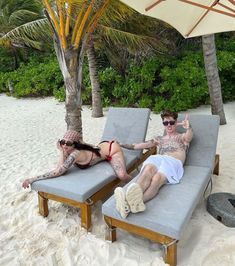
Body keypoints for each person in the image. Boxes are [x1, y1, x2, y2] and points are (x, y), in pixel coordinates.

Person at [114, 110, 193, 219]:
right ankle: (130, 202)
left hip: (173, 162)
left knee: (156, 178)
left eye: (171, 122)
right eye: (166, 123)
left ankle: (129, 203)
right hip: (159, 158)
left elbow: (189, 137)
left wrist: (188, 127)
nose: (169, 125)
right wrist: (121, 144)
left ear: (175, 122)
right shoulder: (159, 139)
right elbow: (138, 146)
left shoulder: (182, 137)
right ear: (163, 124)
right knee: (148, 170)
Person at [22, 130, 131, 189]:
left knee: (122, 176)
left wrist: (32, 179)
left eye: (68, 143)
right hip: (101, 146)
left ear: (75, 145)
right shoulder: (70, 150)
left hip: (112, 149)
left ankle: (135, 183)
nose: (64, 145)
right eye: (62, 142)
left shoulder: (75, 154)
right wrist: (63, 152)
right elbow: (59, 167)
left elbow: (59, 171)